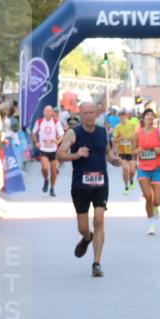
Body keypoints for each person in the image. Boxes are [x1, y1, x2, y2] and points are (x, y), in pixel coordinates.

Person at [56, 101, 122, 278]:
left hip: (100, 183)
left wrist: (114, 160)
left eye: (92, 112)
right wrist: (76, 154)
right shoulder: (73, 133)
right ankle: (86, 237)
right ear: (81, 114)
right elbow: (59, 154)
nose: (89, 116)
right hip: (80, 185)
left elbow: (107, 152)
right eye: (85, 113)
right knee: (83, 227)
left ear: (97, 113)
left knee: (99, 220)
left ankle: (96, 263)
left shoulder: (103, 132)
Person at [133, 108, 160, 235]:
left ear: (154, 118)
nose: (149, 117)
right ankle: (151, 224)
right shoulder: (137, 134)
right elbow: (133, 151)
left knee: (157, 201)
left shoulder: (159, 132)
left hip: (157, 167)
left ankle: (154, 207)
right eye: (147, 115)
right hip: (143, 168)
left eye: (152, 115)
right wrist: (139, 151)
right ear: (143, 118)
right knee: (148, 196)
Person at [32, 104, 64, 196]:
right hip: (43, 148)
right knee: (44, 168)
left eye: (50, 111)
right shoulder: (40, 121)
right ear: (44, 112)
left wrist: (58, 141)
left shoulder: (55, 121)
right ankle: (46, 179)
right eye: (46, 111)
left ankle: (52, 188)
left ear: (52, 113)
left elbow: (61, 135)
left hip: (53, 149)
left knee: (54, 170)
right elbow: (33, 133)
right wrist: (36, 143)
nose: (48, 113)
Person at [112, 110, 137, 193]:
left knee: (132, 170)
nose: (122, 118)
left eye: (124, 116)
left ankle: (131, 178)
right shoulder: (117, 127)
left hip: (131, 151)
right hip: (122, 151)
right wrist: (120, 138)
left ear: (126, 116)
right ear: (118, 117)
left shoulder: (132, 125)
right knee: (125, 168)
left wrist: (133, 139)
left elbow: (137, 136)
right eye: (120, 116)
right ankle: (126, 186)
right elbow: (114, 140)